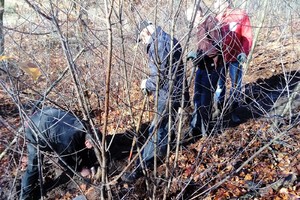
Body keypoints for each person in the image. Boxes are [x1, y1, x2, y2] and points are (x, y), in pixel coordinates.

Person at [122, 21, 190, 182]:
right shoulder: (169, 39)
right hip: (176, 92)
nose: (143, 42)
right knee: (166, 125)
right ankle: (161, 152)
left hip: (167, 95)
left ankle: (140, 168)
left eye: (142, 38)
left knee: (155, 129)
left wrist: (147, 84)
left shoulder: (158, 45)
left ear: (146, 32)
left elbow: (159, 78)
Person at [20, 107, 99, 200]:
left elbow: (82, 148)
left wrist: (89, 164)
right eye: (93, 146)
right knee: (34, 166)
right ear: (87, 142)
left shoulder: (85, 126)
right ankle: (24, 196)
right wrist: (80, 169)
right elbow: (63, 161)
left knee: (71, 147)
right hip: (34, 129)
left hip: (47, 115)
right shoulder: (67, 142)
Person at [185, 3, 224, 138]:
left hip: (212, 68)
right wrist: (197, 56)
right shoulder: (199, 26)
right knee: (197, 97)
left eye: (192, 17)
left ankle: (205, 131)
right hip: (202, 67)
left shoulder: (210, 22)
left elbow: (218, 46)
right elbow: (203, 47)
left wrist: (200, 55)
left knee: (205, 100)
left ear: (198, 12)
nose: (192, 21)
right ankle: (195, 128)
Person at [214, 0, 253, 122]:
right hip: (220, 59)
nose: (216, 4)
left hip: (235, 57)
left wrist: (243, 52)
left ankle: (233, 111)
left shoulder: (240, 15)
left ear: (226, 2)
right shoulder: (216, 18)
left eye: (218, 2)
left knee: (235, 86)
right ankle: (219, 109)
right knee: (219, 85)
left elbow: (247, 36)